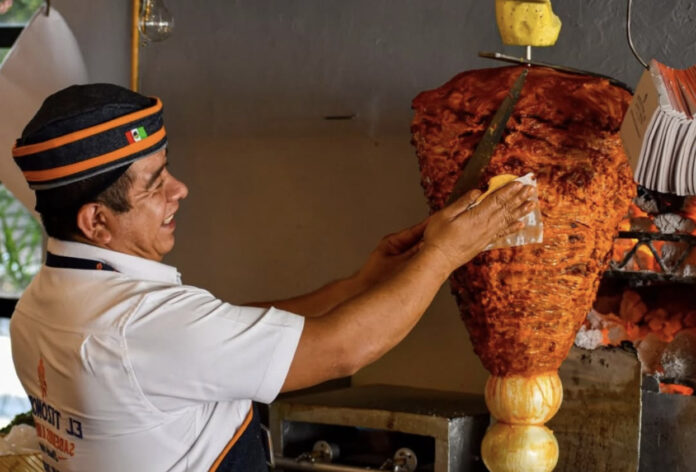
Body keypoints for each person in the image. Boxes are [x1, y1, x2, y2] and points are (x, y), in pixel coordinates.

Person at [9, 84, 534, 472]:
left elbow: (225, 333)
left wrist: (357, 286)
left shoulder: (41, 304)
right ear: (96, 221)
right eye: (155, 186)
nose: (180, 190)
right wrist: (445, 254)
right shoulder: (138, 328)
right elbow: (342, 350)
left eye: (168, 170)